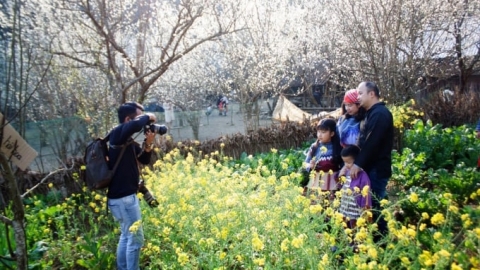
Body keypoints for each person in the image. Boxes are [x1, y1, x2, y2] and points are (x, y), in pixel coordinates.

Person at [107, 102, 156, 270]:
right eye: (139, 116)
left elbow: (144, 160)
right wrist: (149, 116)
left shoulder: (125, 140)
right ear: (128, 119)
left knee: (127, 235)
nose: (144, 123)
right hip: (125, 199)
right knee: (136, 240)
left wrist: (148, 143)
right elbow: (136, 124)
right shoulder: (117, 133)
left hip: (120, 199)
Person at [348, 81, 394, 238]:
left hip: (377, 169)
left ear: (372, 94)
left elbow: (372, 142)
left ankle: (383, 241)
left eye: (360, 93)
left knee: (374, 206)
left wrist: (358, 164)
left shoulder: (380, 114)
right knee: (369, 206)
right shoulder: (370, 113)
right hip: (370, 168)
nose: (358, 97)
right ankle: (375, 241)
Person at [303, 118, 342, 201]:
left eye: (323, 132)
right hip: (316, 184)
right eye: (318, 132)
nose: (320, 135)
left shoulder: (338, 147)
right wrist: (310, 166)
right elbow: (305, 163)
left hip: (333, 185)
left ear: (332, 133)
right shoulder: (314, 147)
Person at [338, 145, 372, 229]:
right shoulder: (346, 172)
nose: (346, 165)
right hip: (344, 211)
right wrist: (340, 176)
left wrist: (365, 212)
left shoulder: (363, 176)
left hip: (355, 214)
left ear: (357, 161)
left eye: (349, 162)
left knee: (355, 233)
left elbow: (366, 196)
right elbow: (340, 187)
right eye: (344, 162)